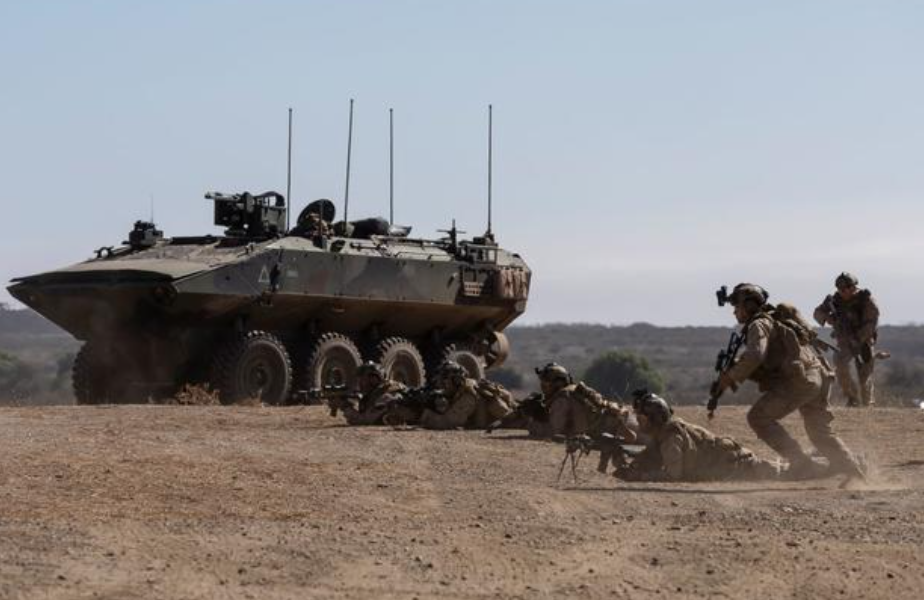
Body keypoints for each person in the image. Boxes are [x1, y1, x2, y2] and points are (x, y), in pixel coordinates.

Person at [715, 283, 864, 480]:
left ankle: (801, 463)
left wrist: (731, 376)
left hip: (800, 381)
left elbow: (755, 355)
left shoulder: (759, 324)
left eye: (737, 307)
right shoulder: (776, 319)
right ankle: (854, 471)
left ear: (749, 306)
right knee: (819, 432)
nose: (734, 312)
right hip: (817, 375)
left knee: (758, 418)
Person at [615, 391, 780, 482]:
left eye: (642, 418)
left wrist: (640, 477)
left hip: (738, 466)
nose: (638, 422)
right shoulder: (664, 433)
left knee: (787, 473)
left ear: (654, 419)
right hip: (731, 463)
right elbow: (651, 456)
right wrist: (630, 466)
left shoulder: (671, 439)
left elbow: (673, 475)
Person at [813, 272, 881, 407]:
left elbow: (871, 324)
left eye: (845, 289)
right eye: (839, 289)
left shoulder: (865, 300)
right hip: (844, 342)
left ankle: (867, 404)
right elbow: (817, 313)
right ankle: (852, 398)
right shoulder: (834, 300)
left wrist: (858, 338)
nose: (842, 292)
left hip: (864, 342)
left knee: (864, 375)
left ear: (853, 287)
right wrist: (829, 318)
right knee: (841, 367)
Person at [534, 363, 635, 441]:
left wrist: (533, 423)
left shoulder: (562, 399)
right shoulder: (575, 390)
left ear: (558, 383)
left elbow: (554, 430)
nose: (543, 388)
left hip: (607, 429)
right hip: (615, 422)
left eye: (546, 384)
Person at [419, 361, 514, 429]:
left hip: (507, 421)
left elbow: (447, 422)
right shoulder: (458, 390)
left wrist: (424, 414)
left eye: (445, 382)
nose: (442, 385)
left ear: (456, 381)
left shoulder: (469, 396)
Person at [332, 361, 407, 426]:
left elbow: (364, 420)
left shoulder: (387, 396)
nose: (360, 383)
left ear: (374, 380)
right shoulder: (378, 393)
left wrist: (345, 407)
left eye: (363, 379)